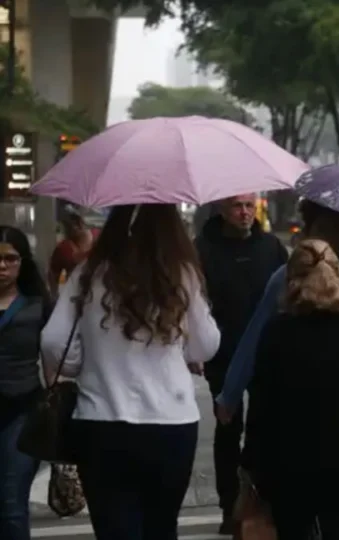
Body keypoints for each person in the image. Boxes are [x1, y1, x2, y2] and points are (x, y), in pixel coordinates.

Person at [40, 204, 221, 540]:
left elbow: (53, 341)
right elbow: (206, 345)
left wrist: (83, 363)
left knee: (115, 529)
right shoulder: (182, 274)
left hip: (102, 419)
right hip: (171, 423)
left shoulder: (89, 272)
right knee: (161, 526)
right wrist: (178, 348)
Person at [242, 239, 339, 540]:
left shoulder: (277, 332)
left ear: (292, 280)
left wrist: (251, 464)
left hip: (289, 466)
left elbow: (261, 405)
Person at [214, 200, 339, 424]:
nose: (325, 239)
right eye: (321, 229)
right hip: (296, 394)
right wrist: (231, 393)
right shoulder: (287, 277)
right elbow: (255, 335)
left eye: (334, 229)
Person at [194, 193, 288, 534]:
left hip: (267, 353)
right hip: (224, 351)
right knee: (228, 430)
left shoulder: (271, 247)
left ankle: (262, 501)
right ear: (222, 209)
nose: (245, 212)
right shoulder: (203, 249)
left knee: (264, 430)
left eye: (250, 205)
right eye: (237, 206)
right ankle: (229, 504)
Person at [0, 226, 51, 540]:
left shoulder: (38, 305)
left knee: (11, 502)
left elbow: (55, 358)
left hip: (22, 412)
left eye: (10, 259)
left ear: (22, 262)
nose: (2, 266)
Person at [48, 209, 96, 295]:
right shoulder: (64, 248)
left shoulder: (96, 242)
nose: (75, 227)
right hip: (72, 293)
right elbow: (53, 273)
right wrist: (54, 295)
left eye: (78, 223)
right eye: (72, 224)